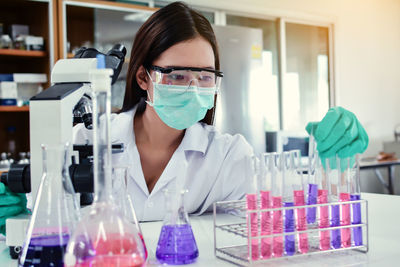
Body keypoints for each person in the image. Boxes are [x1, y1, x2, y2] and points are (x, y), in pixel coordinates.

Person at [0, 2, 369, 228]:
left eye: (205, 76)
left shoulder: (227, 156)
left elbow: (300, 203)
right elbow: (40, 212)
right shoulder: (86, 140)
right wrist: (12, 212)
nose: (193, 88)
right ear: (143, 77)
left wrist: (333, 162)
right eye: (177, 75)